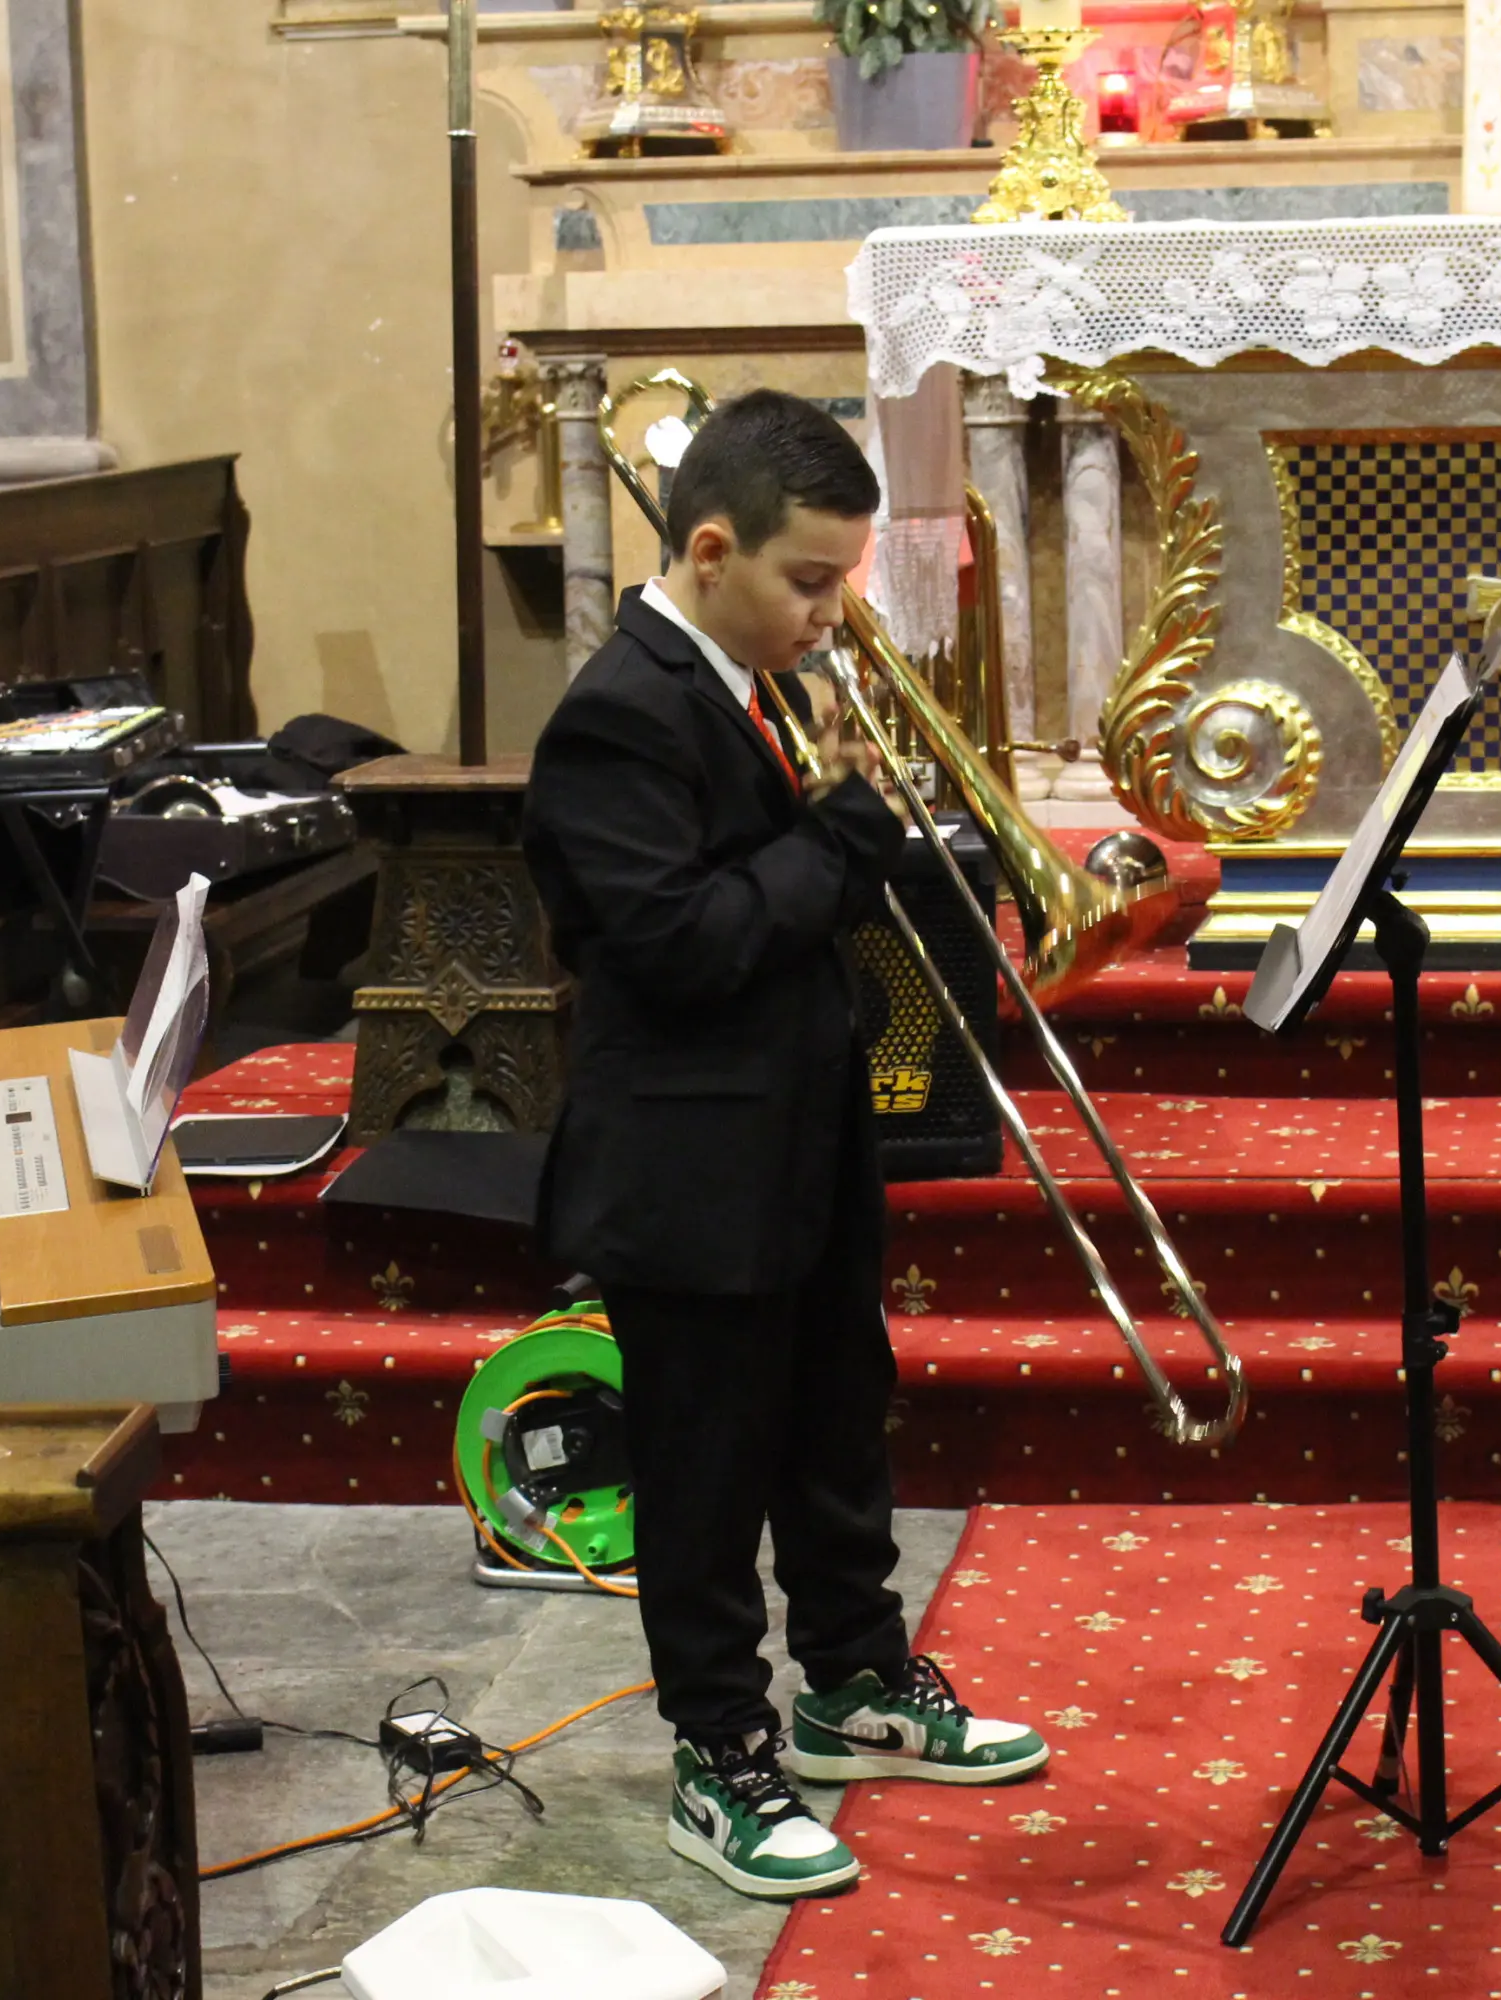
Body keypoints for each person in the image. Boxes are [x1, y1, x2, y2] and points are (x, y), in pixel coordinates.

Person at [521, 390, 1048, 1901]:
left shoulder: (752, 681)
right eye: (809, 582)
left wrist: (834, 833)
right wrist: (842, 835)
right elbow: (684, 945)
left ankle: (854, 1682)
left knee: (834, 1420)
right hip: (688, 1171)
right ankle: (722, 1756)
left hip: (802, 1134)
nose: (832, 614)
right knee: (706, 1474)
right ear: (709, 551)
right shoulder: (619, 715)